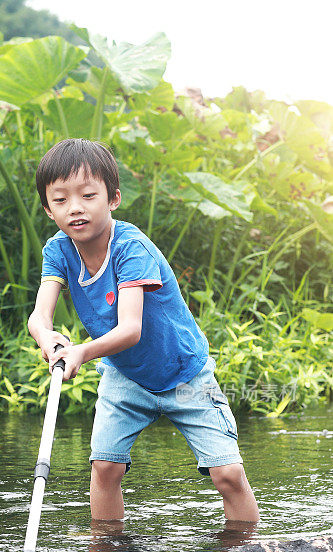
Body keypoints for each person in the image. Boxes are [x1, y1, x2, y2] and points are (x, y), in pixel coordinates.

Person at [28, 138, 259, 524]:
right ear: (48, 209)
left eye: (88, 195)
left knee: (228, 474)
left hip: (184, 372)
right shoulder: (58, 250)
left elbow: (131, 328)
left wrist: (82, 352)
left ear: (113, 198)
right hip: (125, 374)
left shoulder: (131, 247)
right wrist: (47, 337)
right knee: (105, 468)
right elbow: (39, 316)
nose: (76, 208)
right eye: (61, 200)